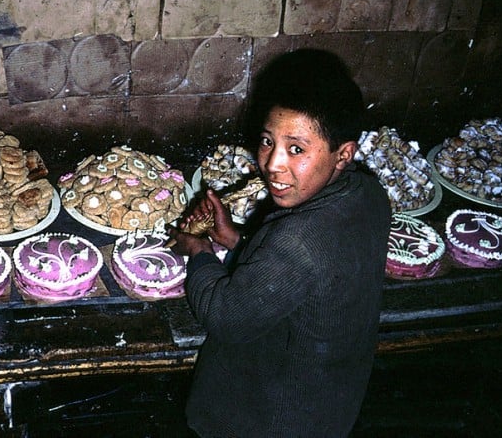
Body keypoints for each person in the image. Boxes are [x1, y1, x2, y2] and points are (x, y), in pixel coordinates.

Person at [167, 49, 392, 437]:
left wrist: (201, 252)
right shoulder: (369, 194)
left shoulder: (300, 241)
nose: (272, 164)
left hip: (272, 415)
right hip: (329, 399)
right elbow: (304, 280)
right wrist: (235, 239)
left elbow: (225, 316)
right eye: (268, 141)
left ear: (343, 154)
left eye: (297, 149)